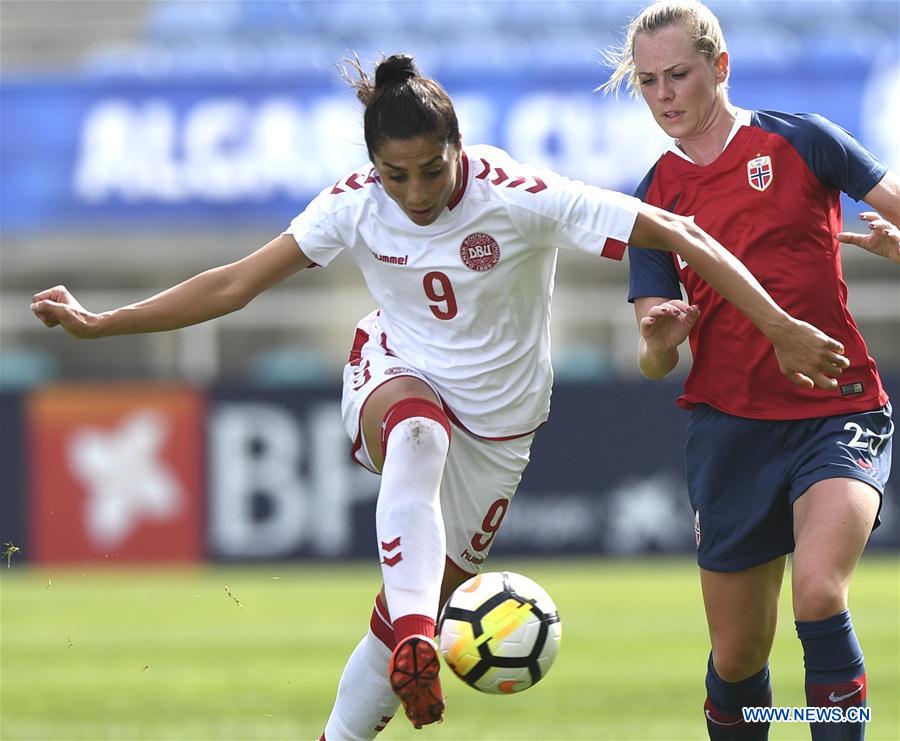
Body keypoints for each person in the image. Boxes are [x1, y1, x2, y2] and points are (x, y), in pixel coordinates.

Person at [33, 53, 849, 739]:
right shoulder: (353, 202)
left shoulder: (518, 194)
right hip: (397, 372)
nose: (416, 193)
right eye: (397, 175)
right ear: (372, 165)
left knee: (403, 604)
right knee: (418, 436)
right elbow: (236, 283)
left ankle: (372, 682)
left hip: (500, 427)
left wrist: (775, 323)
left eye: (431, 170)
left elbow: (681, 232)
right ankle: (423, 634)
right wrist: (106, 324)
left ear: (460, 146)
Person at [601, 2, 898, 739]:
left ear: (720, 68)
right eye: (647, 82)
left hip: (838, 408)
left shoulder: (803, 141)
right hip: (730, 427)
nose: (664, 94)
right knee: (738, 659)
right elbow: (650, 356)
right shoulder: (655, 198)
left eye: (678, 74)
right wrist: (662, 340)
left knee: (820, 593)